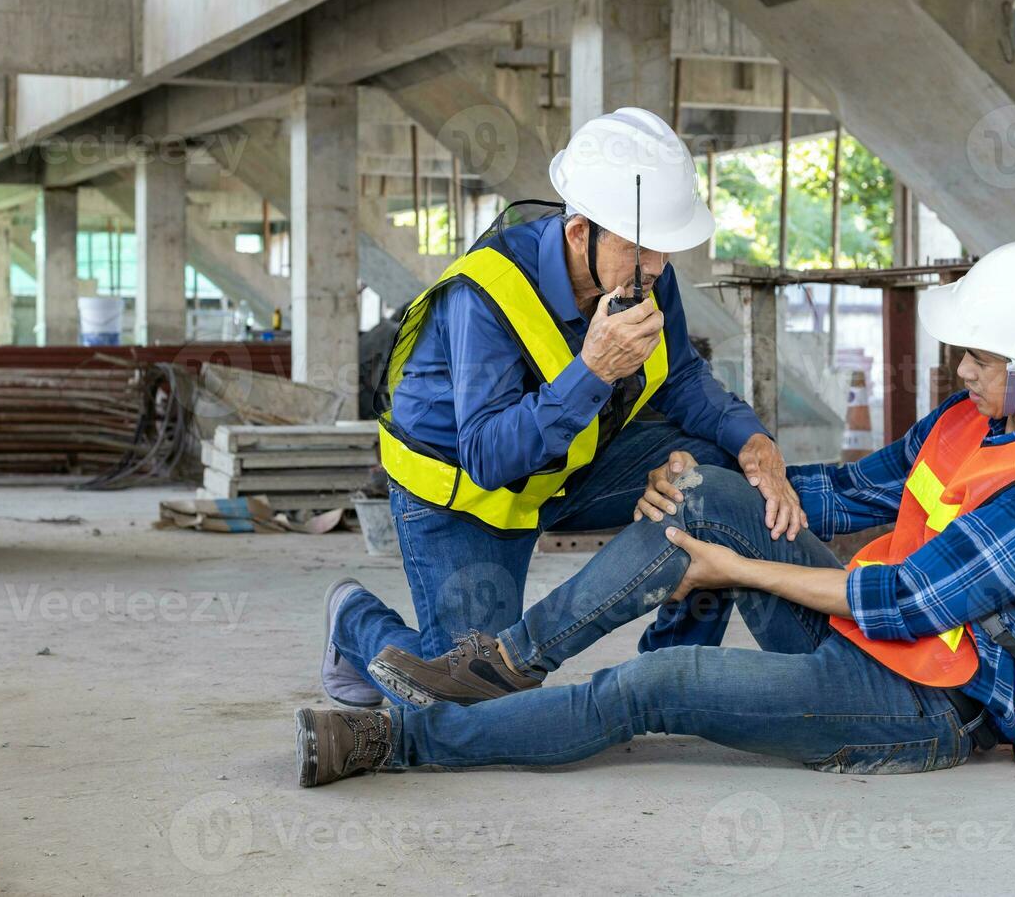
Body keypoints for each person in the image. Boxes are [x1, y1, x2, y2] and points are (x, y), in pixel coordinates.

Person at [295, 239, 1015, 785]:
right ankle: (508, 660)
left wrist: (730, 567)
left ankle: (404, 740)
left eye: (982, 358)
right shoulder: (972, 419)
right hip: (873, 637)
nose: (963, 370)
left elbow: (905, 601)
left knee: (658, 687)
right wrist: (729, 476)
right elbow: (851, 494)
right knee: (702, 490)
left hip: (924, 704)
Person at [320, 108, 801, 709]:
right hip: (467, 493)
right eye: (641, 248)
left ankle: (670, 668)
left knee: (716, 472)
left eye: (666, 250)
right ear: (580, 233)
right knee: (468, 697)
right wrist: (593, 369)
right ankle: (353, 620)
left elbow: (679, 377)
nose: (657, 267)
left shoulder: (641, 274)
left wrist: (752, 438)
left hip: (568, 466)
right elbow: (490, 457)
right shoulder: (484, 294)